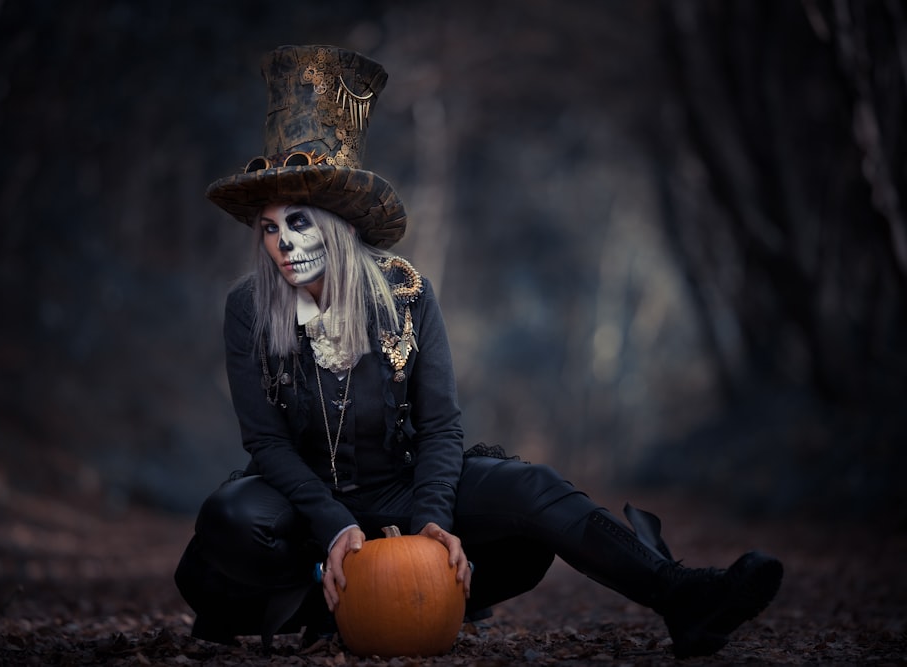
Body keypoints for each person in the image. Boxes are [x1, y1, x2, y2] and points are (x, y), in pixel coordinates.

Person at [174, 44, 783, 659]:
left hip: (400, 487)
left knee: (532, 490)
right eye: (270, 228)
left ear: (340, 226)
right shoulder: (249, 308)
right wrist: (334, 524)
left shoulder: (407, 295)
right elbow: (267, 441)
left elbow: (440, 424)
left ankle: (680, 596)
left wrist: (433, 520)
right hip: (297, 504)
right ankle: (330, 602)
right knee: (231, 516)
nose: (282, 243)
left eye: (298, 222)